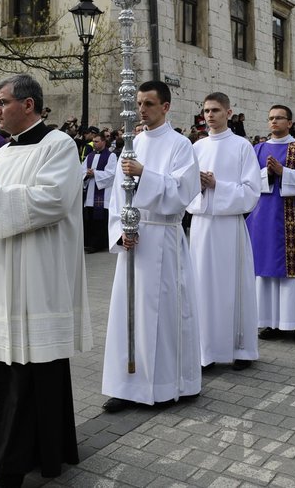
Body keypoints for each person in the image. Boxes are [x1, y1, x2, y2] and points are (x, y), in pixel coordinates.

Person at [0, 74, 92, 488]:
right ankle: (42, 450)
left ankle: (10, 467)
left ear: (27, 105)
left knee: (35, 367)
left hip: (37, 270)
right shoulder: (1, 152)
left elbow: (53, 200)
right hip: (0, 272)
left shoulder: (59, 146)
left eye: (1, 103)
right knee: (9, 365)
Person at [101, 80, 201, 412]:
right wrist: (120, 230)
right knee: (128, 314)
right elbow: (116, 197)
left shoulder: (181, 145)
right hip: (135, 241)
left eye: (148, 104)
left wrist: (145, 173)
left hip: (164, 238)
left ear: (166, 107)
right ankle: (126, 386)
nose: (140, 109)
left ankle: (168, 384)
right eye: (139, 103)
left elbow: (182, 193)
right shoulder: (131, 144)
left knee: (165, 315)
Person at [187, 92, 261, 370]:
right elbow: (184, 190)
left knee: (233, 286)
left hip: (230, 227)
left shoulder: (242, 146)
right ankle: (205, 351)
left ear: (229, 113)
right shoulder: (196, 147)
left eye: (215, 110)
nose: (209, 115)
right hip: (202, 226)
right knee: (202, 286)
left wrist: (218, 185)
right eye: (206, 110)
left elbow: (252, 192)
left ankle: (239, 349)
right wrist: (199, 187)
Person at [245, 105, 295, 343]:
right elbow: (248, 182)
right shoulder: (257, 148)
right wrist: (268, 175)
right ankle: (268, 322)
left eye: (279, 118)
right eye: (270, 118)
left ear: (290, 123)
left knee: (292, 271)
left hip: (292, 218)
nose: (274, 122)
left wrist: (283, 172)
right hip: (263, 219)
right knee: (265, 271)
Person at [82, 132, 116, 253]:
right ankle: (90, 243)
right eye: (93, 141)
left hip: (103, 193)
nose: (94, 144)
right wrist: (86, 174)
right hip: (90, 191)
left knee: (100, 220)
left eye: (96, 141)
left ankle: (99, 244)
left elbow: (112, 174)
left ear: (103, 142)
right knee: (90, 219)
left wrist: (95, 173)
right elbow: (81, 171)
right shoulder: (89, 156)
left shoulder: (111, 156)